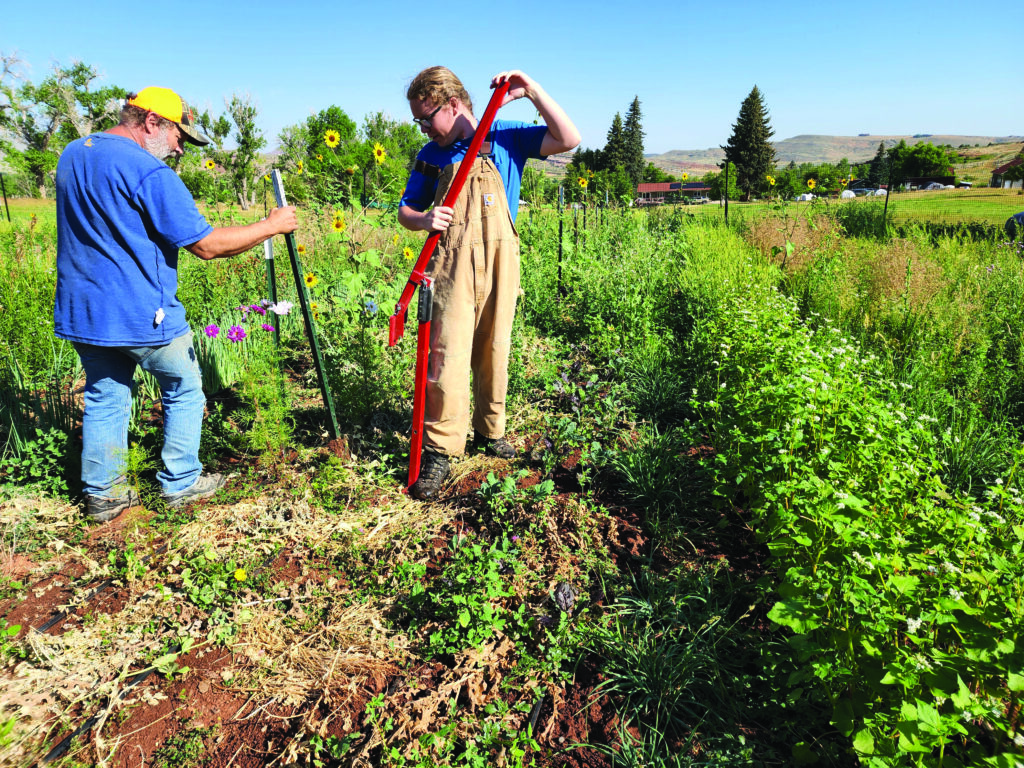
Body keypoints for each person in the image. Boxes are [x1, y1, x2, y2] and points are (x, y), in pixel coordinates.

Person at [54, 86, 298, 522]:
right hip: (142, 312)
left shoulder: (74, 153)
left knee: (106, 396)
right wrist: (271, 225)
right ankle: (181, 482)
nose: (180, 148)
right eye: (178, 136)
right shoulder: (148, 171)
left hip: (85, 311)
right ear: (151, 122)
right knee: (184, 389)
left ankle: (104, 495)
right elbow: (207, 245)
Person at [398, 67, 580, 500]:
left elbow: (568, 138)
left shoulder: (505, 135)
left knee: (495, 347)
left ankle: (490, 431)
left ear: (454, 105)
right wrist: (423, 219)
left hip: (502, 259)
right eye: (418, 121)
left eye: (427, 118)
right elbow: (405, 210)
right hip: (451, 265)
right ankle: (441, 448)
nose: (424, 128)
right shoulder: (430, 153)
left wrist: (532, 89)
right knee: (447, 353)